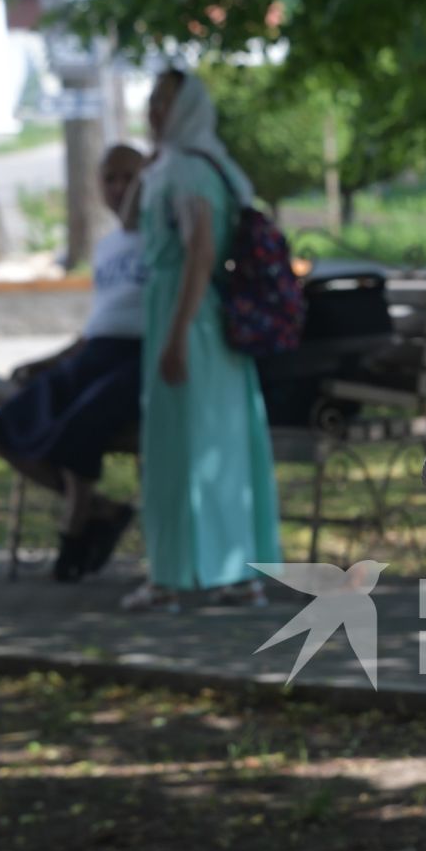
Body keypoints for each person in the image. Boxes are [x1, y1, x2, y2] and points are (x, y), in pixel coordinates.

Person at [124, 68, 282, 612]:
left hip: (189, 319)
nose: (154, 112)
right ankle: (227, 573)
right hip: (198, 322)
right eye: (151, 101)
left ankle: (179, 576)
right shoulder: (182, 165)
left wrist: (175, 336)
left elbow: (199, 253)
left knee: (184, 449)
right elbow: (130, 225)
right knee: (213, 447)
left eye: (165, 102)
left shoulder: (190, 170)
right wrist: (146, 166)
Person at [0, 144, 149, 581]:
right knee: (3, 428)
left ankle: (73, 530)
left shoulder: (170, 236)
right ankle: (103, 511)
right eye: (110, 178)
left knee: (80, 426)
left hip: (143, 357)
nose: (120, 188)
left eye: (130, 177)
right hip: (96, 353)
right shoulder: (108, 248)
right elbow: (98, 323)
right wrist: (47, 361)